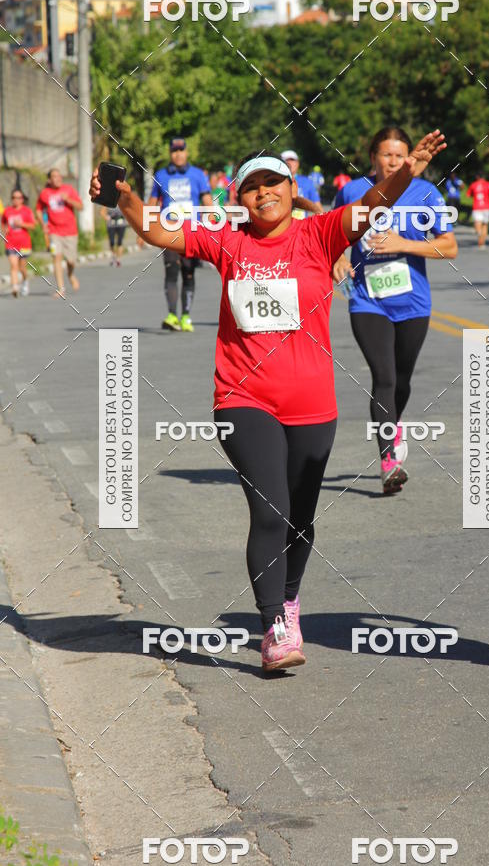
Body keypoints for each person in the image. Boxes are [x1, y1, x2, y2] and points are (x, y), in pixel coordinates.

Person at [90, 132, 445, 671]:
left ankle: (291, 598)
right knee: (271, 509)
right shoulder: (227, 241)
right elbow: (156, 230)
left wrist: (406, 173)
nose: (263, 193)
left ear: (291, 187)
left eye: (272, 182)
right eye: (251, 186)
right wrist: (125, 199)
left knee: (301, 520)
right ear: (240, 197)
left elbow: (376, 205)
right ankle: (273, 624)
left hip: (312, 406)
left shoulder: (321, 234)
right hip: (242, 399)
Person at [333, 126, 457, 494]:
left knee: (401, 380)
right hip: (367, 301)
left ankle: (395, 422)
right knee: (384, 378)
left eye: (400, 155)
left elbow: (449, 247)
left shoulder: (425, 193)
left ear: (409, 158)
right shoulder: (353, 192)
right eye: (386, 155)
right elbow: (331, 234)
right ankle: (389, 462)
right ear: (372, 157)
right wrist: (338, 256)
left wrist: (404, 243)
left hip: (414, 304)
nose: (393, 161)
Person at [148, 137, 213, 332]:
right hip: (168, 232)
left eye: (181, 150)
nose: (178, 154)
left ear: (186, 152)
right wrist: (143, 229)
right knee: (171, 271)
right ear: (170, 153)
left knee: (188, 274)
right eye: (174, 151)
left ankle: (185, 316)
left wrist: (212, 225)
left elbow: (208, 202)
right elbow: (151, 204)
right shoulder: (161, 175)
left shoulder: (198, 175)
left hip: (192, 233)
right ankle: (171, 315)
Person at [36, 168, 82, 298]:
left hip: (70, 231)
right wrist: (43, 223)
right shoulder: (45, 193)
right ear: (49, 180)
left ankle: (70, 274)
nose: (58, 178)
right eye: (54, 176)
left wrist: (68, 199)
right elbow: (38, 210)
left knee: (71, 261)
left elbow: (80, 207)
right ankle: (61, 289)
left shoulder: (69, 189)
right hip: (54, 232)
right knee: (56, 257)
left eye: (59, 176)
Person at [2, 189, 36, 298]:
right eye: (14, 198)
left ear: (22, 200)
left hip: (24, 243)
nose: (16, 200)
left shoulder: (26, 211)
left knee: (22, 267)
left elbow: (33, 226)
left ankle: (25, 281)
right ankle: (15, 287)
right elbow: (3, 223)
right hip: (11, 243)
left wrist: (22, 224)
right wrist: (5, 230)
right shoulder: (7, 211)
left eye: (18, 198)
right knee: (13, 265)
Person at [280, 149, 323, 217]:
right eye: (286, 160)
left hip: (301, 225)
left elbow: (318, 209)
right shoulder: (274, 182)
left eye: (292, 160)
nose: (289, 162)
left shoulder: (307, 182)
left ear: (298, 163)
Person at [466, 172, 489, 250]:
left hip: (477, 206)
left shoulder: (473, 185)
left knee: (477, 223)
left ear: (477, 177)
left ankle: (479, 235)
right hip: (487, 206)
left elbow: (468, 195)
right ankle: (482, 242)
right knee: (485, 224)